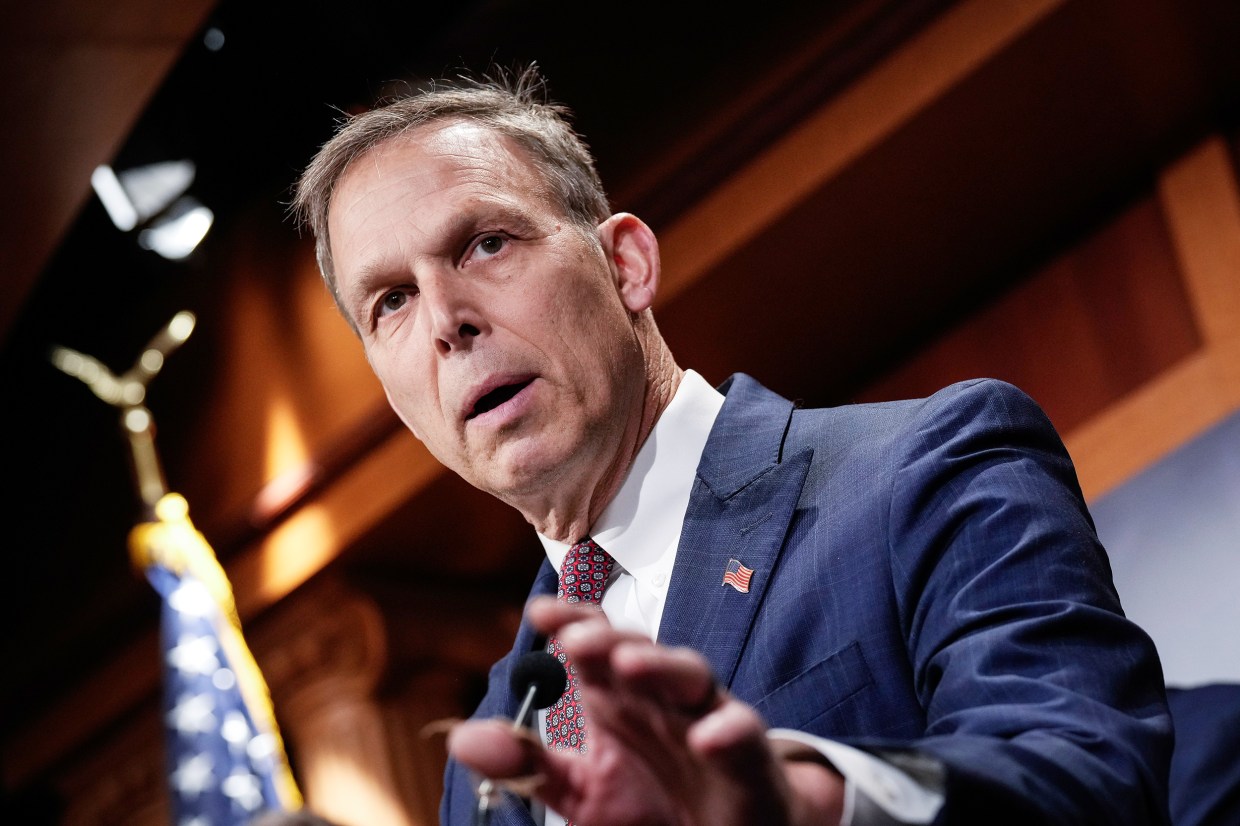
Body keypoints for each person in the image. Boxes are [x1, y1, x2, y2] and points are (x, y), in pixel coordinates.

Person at [293, 68, 1172, 825]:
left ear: (627, 264)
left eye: (486, 243)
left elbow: (1091, 773)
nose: (447, 321)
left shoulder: (926, 467)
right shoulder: (498, 736)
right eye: (392, 302)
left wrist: (809, 804)